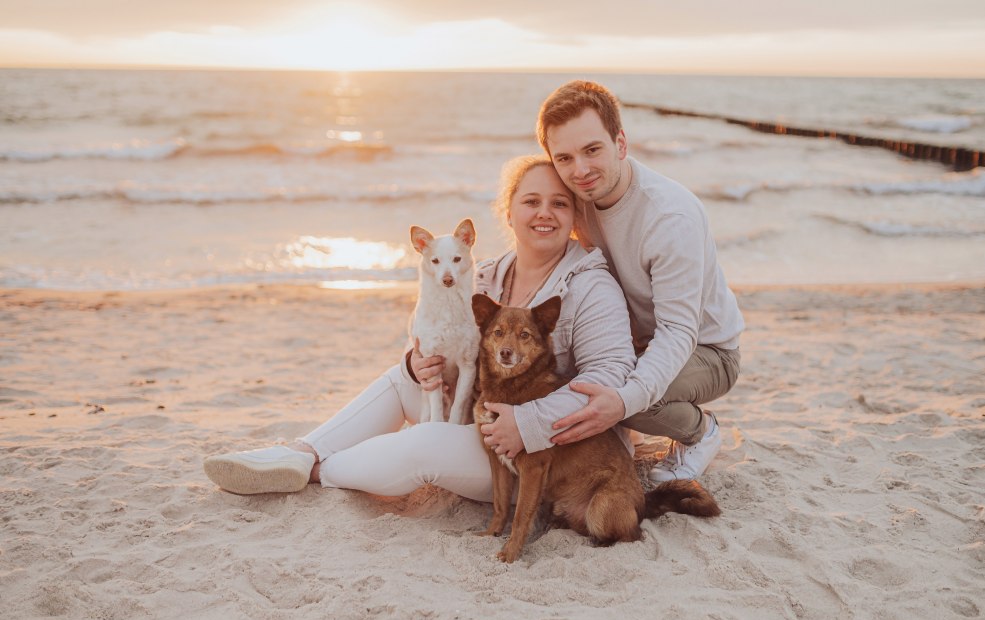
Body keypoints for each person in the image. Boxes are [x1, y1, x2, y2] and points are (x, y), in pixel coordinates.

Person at [202, 155, 637, 498]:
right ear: (508, 213)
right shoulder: (482, 276)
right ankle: (300, 453)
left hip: (542, 455)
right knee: (399, 378)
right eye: (531, 201)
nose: (544, 213)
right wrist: (419, 365)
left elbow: (610, 377)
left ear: (575, 215)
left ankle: (317, 472)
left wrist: (529, 422)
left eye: (559, 203)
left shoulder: (591, 284)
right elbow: (446, 341)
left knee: (426, 445)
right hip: (476, 418)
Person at [534, 80, 745, 483]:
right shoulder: (575, 196)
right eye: (564, 158)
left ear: (621, 143)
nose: (580, 170)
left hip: (707, 348)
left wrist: (622, 400)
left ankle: (701, 432)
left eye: (592, 150)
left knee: (631, 402)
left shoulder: (669, 219)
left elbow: (678, 331)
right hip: (637, 338)